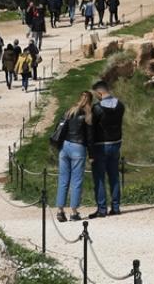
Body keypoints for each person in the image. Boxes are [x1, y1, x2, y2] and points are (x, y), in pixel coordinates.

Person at [55, 92, 93, 222]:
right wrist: (91, 154)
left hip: (65, 146)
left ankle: (60, 211)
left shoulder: (70, 111)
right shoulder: (87, 115)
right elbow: (89, 137)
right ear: (90, 101)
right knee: (76, 181)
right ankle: (74, 212)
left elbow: (61, 128)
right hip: (78, 147)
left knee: (63, 179)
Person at [89, 80, 125, 218]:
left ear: (99, 92)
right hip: (116, 143)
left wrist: (90, 149)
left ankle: (102, 209)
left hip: (101, 145)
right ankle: (115, 207)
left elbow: (92, 129)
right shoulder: (120, 105)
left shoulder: (97, 108)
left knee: (99, 178)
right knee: (114, 176)